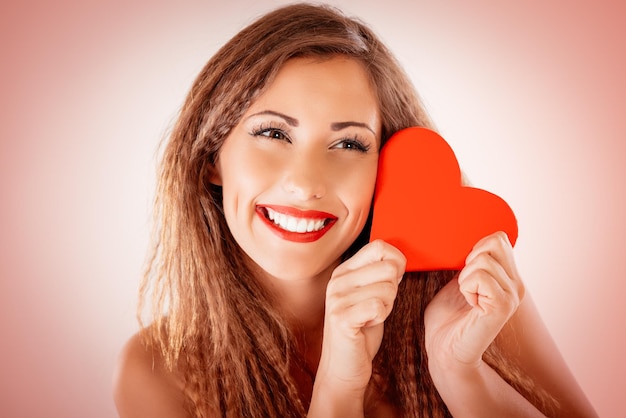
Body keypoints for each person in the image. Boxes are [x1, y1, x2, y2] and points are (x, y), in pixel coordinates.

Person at [113, 3, 598, 417]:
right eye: (273, 134)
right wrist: (339, 390)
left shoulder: (469, 285)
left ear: (389, 165)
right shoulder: (158, 371)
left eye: (348, 143)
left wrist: (460, 372)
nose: (305, 185)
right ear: (211, 158)